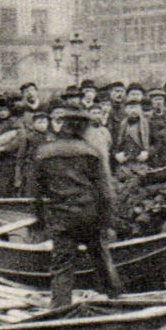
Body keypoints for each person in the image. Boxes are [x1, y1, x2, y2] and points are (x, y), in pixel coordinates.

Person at [32, 107, 121, 306]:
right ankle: (116, 300)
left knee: (62, 266)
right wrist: (108, 222)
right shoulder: (92, 152)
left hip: (61, 216)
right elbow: (105, 191)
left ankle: (60, 311)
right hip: (90, 215)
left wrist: (39, 219)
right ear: (83, 128)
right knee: (101, 258)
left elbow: (37, 192)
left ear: (63, 125)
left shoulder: (44, 152)